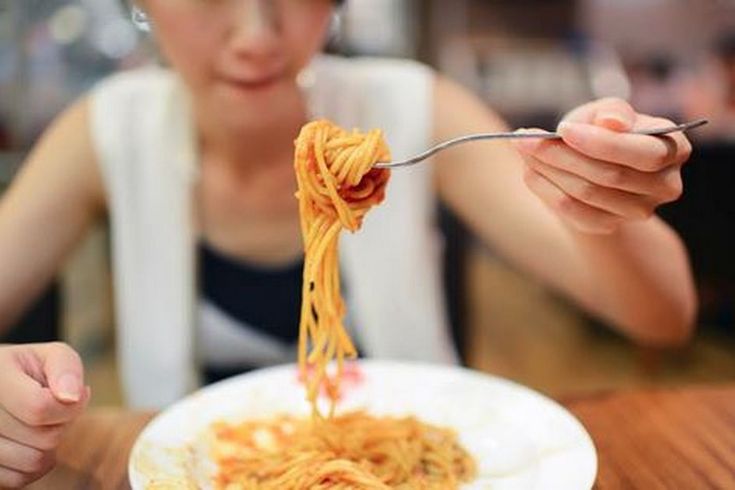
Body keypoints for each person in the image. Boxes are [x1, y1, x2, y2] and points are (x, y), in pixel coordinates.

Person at [0, 0, 696, 486]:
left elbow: (662, 316)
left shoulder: (413, 106)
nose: (257, 34)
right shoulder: (105, 132)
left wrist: (595, 197)